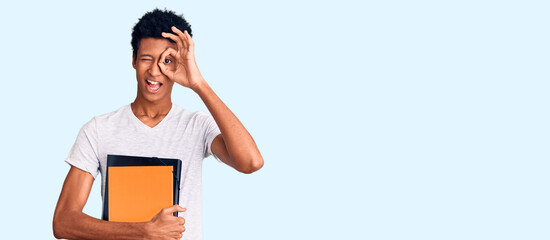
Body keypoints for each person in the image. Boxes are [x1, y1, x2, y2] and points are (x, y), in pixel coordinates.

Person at [52, 9, 263, 240]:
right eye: (146, 59)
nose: (154, 71)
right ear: (133, 60)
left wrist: (198, 83)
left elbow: (251, 162)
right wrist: (143, 231)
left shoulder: (197, 126)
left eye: (167, 61)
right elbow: (63, 222)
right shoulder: (98, 130)